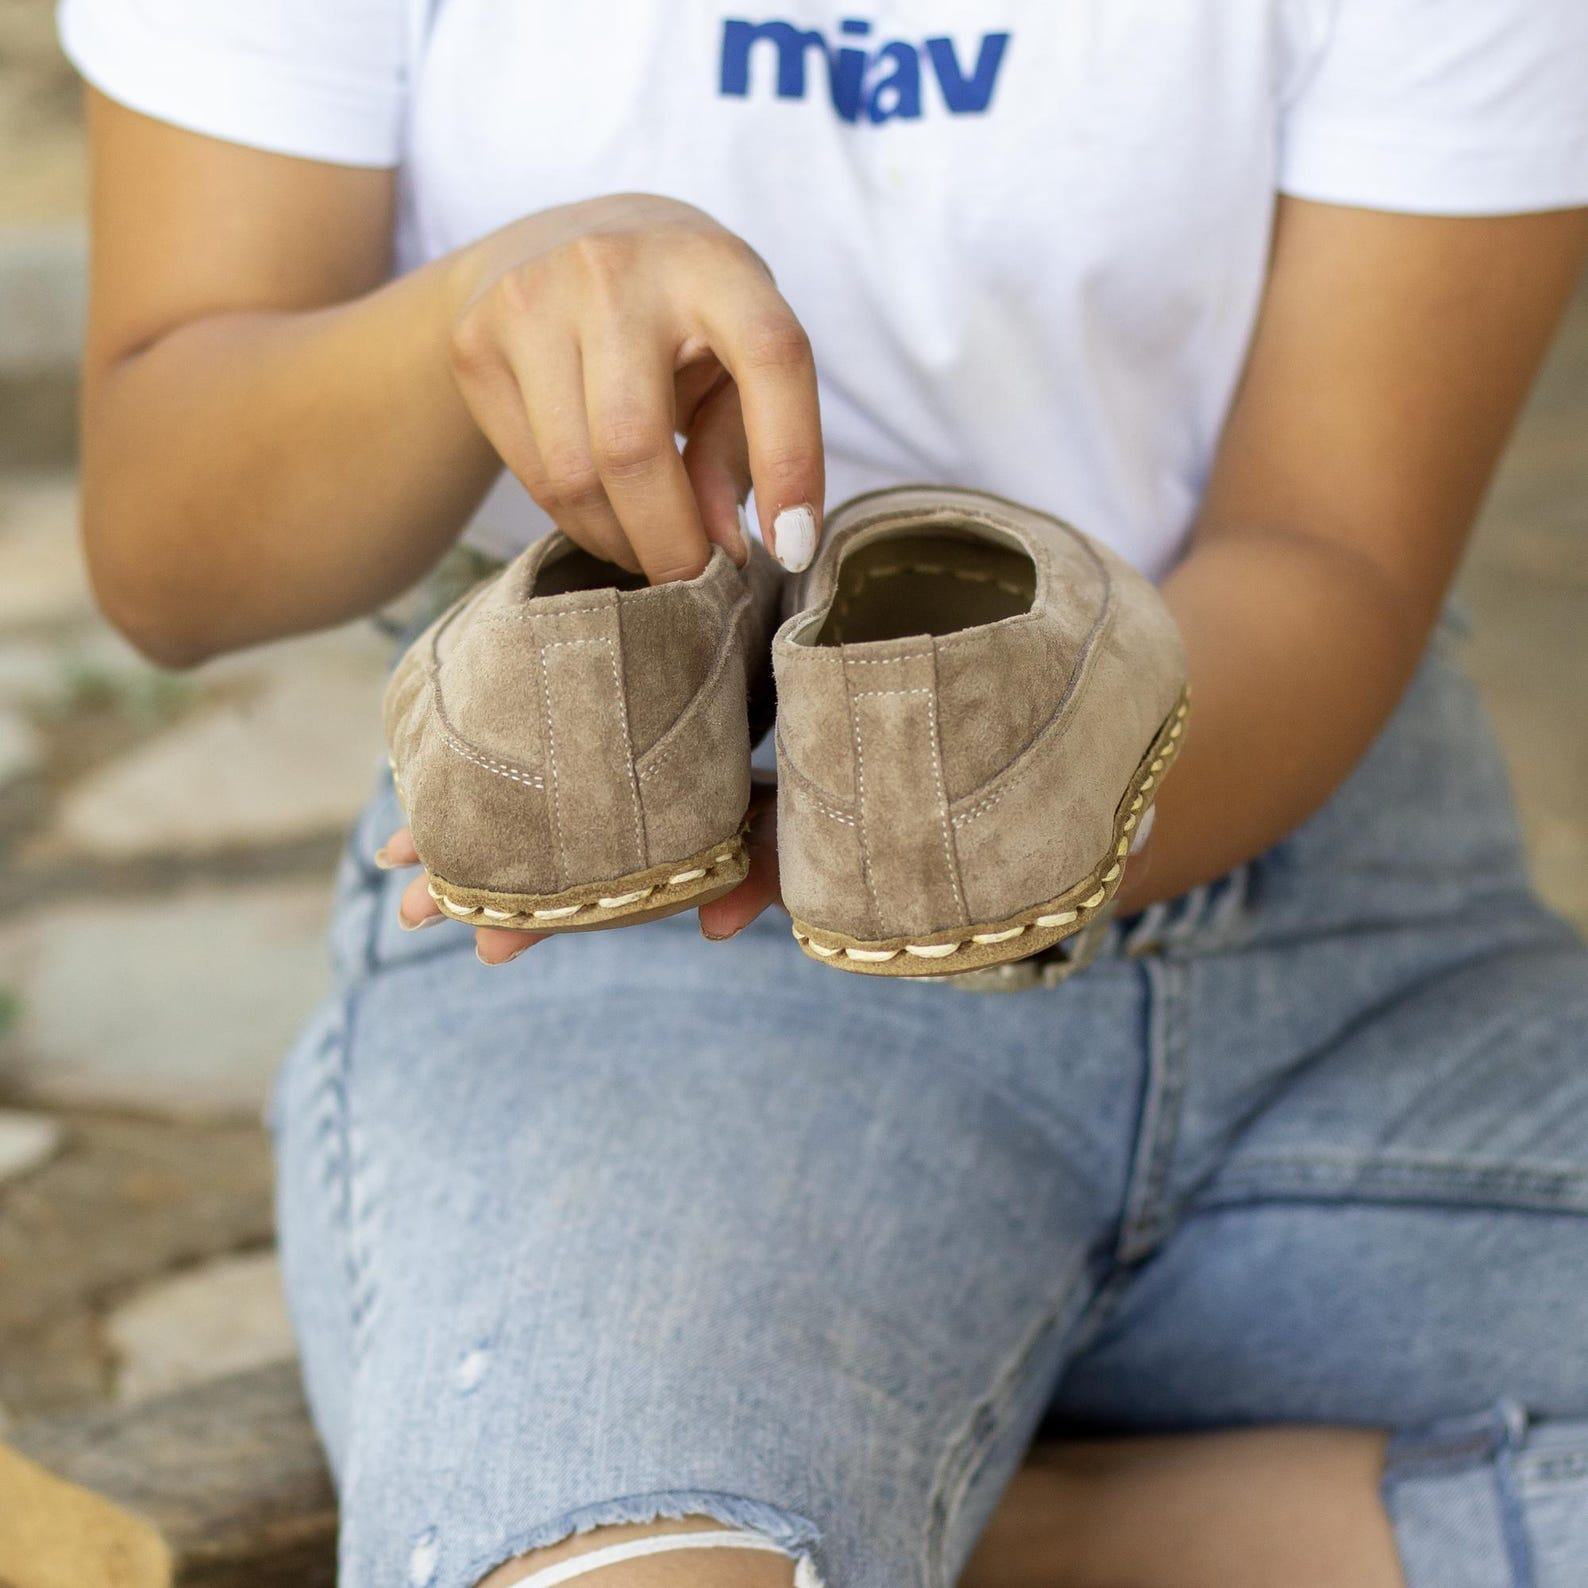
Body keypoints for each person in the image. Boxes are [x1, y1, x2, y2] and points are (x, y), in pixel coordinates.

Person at [59, 1, 1588, 1584]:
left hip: (1328, 914)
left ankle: (1025, 1536)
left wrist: (995, 802)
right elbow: (172, 549)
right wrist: (487, 307)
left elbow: (1331, 543)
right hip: (660, 929)